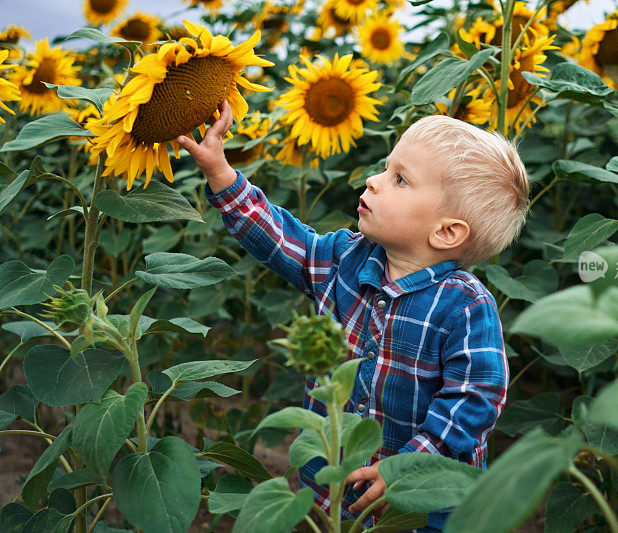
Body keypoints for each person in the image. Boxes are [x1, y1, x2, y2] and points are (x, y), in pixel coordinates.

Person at [177, 100, 530, 532]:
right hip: (334, 490)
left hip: (418, 508)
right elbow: (282, 239)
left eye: (399, 179)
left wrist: (410, 465)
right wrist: (221, 175)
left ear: (446, 232)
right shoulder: (344, 258)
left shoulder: (465, 305)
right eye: (385, 168)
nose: (374, 181)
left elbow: (478, 395)